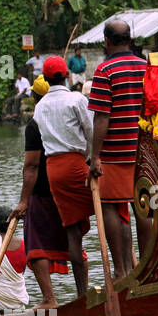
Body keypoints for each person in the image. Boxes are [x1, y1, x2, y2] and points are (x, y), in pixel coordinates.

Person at [88, 19, 149, 282]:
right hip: (145, 153)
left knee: (112, 207)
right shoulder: (147, 67)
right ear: (130, 39)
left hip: (114, 153)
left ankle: (122, 270)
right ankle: (147, 266)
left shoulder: (105, 70)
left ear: (107, 41)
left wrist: (95, 156)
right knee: (144, 208)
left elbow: (102, 117)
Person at [34, 55, 93, 296]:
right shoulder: (76, 99)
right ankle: (123, 269)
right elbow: (90, 132)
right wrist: (89, 159)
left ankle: (82, 294)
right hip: (75, 165)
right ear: (67, 75)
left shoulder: (39, 106)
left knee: (73, 232)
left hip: (53, 171)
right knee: (112, 209)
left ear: (46, 79)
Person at [12, 76, 70, 306]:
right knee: (73, 240)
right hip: (67, 187)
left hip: (44, 190)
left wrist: (23, 201)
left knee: (35, 246)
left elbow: (32, 165)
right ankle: (84, 295)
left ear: (36, 99)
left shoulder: (36, 123)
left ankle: (49, 298)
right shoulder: (68, 117)